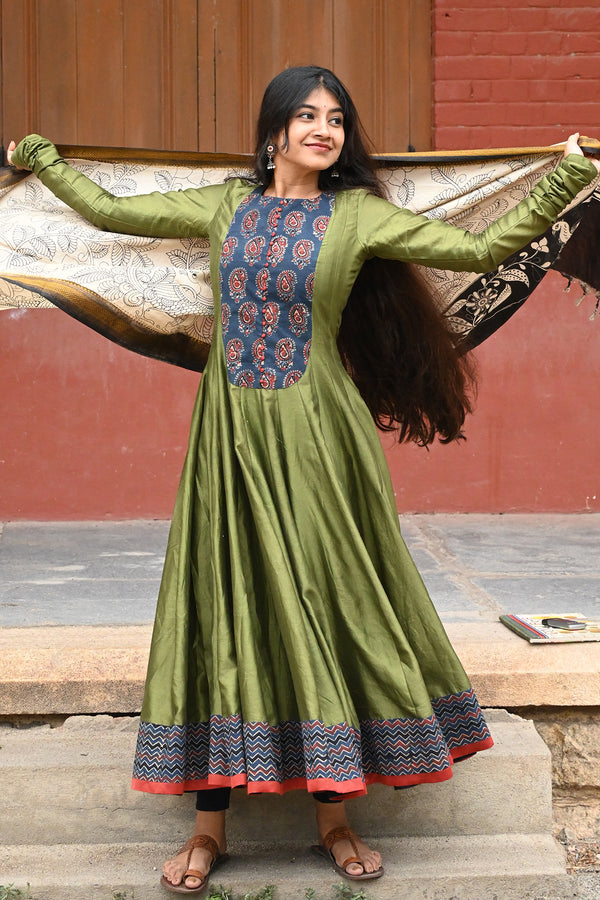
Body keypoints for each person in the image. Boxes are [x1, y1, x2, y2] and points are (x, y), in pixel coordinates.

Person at [8, 65, 599, 895]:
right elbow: (112, 213)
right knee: (223, 607)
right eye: (307, 115)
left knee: (326, 602)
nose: (324, 129)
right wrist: (45, 157)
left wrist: (568, 175)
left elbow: (475, 249)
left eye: (336, 119)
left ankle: (335, 818)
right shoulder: (224, 207)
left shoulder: (356, 216)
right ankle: (208, 829)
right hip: (230, 441)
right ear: (275, 131)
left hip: (321, 439)